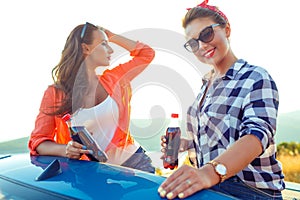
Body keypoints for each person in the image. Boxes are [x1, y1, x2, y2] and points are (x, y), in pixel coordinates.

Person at [158, 0, 285, 199]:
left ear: (227, 30)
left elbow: (257, 135)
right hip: (216, 188)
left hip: (252, 191)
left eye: (206, 34)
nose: (201, 46)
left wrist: (209, 173)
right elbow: (215, 142)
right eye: (193, 43)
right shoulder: (204, 88)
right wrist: (185, 144)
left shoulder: (255, 77)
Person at [28, 22, 155, 173]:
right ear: (86, 48)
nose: (111, 49)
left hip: (133, 162)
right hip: (88, 172)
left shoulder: (114, 79)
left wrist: (111, 36)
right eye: (104, 44)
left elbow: (147, 53)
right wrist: (66, 149)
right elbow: (38, 141)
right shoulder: (55, 93)